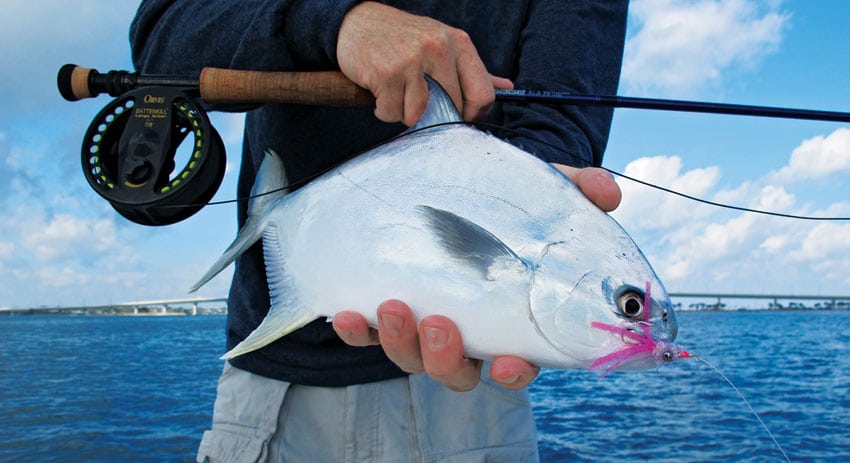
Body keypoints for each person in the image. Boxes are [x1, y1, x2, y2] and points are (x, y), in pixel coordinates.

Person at [131, 1, 628, 461]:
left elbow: (557, 119)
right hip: (276, 385)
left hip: (471, 388)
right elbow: (163, 38)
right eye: (629, 308)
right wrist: (337, 21)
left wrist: (537, 187)